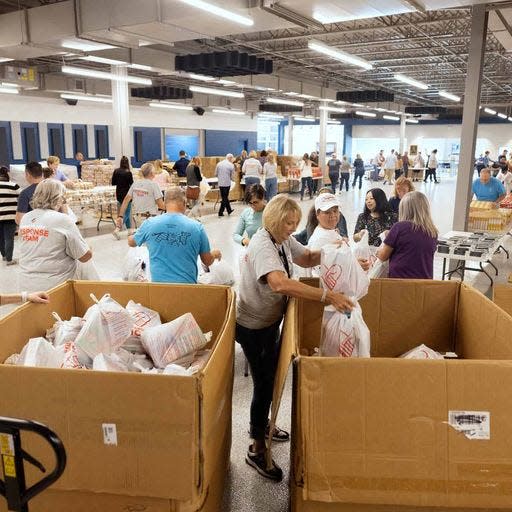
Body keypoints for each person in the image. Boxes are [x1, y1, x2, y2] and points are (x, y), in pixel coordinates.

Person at [236, 194, 368, 481]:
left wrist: (337, 254)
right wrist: (326, 295)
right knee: (263, 383)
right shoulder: (262, 244)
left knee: (271, 377)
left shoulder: (281, 238)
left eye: (295, 223)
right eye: (288, 223)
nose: (292, 228)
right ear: (273, 220)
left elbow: (306, 256)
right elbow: (279, 283)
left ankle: (265, 426)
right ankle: (257, 447)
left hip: (270, 322)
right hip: (254, 326)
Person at [128, 187, 221, 284]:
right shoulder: (197, 227)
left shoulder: (149, 224)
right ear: (185, 203)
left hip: (159, 290)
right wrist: (214, 254)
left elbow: (131, 242)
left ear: (164, 203)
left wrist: (132, 234)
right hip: (188, 290)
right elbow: (207, 261)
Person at [18, 179, 92, 292]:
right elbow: (84, 256)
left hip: (26, 287)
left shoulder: (26, 218)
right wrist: (90, 248)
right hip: (55, 288)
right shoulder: (63, 220)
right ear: (58, 197)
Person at [377, 191, 438, 279]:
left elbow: (383, 256)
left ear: (404, 209)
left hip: (400, 281)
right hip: (425, 281)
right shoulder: (432, 231)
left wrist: (377, 252)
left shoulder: (399, 227)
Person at [306, 193, 346, 277]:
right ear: (317, 214)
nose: (333, 215)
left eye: (335, 211)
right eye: (327, 212)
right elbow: (322, 274)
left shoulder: (329, 231)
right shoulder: (321, 239)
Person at [116, 162, 164, 231]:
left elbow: (126, 200)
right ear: (151, 173)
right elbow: (161, 205)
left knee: (141, 238)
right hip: (150, 218)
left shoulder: (135, 184)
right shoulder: (154, 185)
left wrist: (120, 216)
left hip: (138, 218)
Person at [0, 166, 20, 266]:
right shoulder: (14, 185)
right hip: (10, 216)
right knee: (9, 238)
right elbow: (22, 197)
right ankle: (9, 259)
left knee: (1, 237)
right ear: (7, 173)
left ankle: (4, 256)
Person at [111, 156, 134, 239]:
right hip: (127, 194)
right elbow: (132, 184)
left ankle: (130, 230)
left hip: (119, 193)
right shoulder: (128, 173)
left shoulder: (116, 171)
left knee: (124, 211)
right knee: (127, 212)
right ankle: (117, 229)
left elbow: (113, 182)